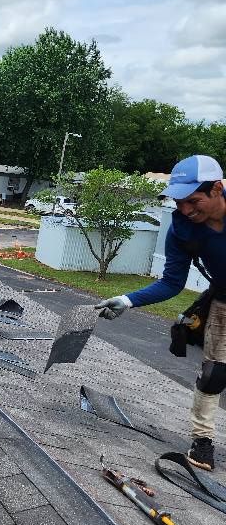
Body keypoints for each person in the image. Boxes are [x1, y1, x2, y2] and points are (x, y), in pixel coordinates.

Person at [96, 155, 226, 471]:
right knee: (214, 374)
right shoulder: (183, 231)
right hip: (224, 303)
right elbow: (171, 282)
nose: (184, 210)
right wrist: (127, 300)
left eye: (193, 200)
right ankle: (202, 440)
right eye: (179, 202)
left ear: (217, 189)